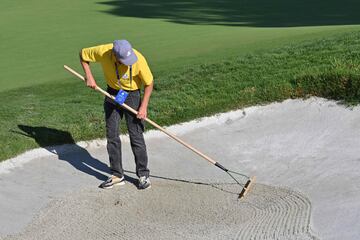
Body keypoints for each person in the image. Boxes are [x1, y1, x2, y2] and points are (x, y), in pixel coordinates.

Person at [80, 40, 153, 190]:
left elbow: (149, 83)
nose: (128, 63)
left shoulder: (138, 59)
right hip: (112, 92)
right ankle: (117, 175)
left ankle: (143, 174)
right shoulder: (104, 51)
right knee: (112, 134)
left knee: (136, 134)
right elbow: (82, 55)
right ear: (114, 55)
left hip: (132, 95)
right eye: (124, 61)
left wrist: (143, 106)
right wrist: (89, 76)